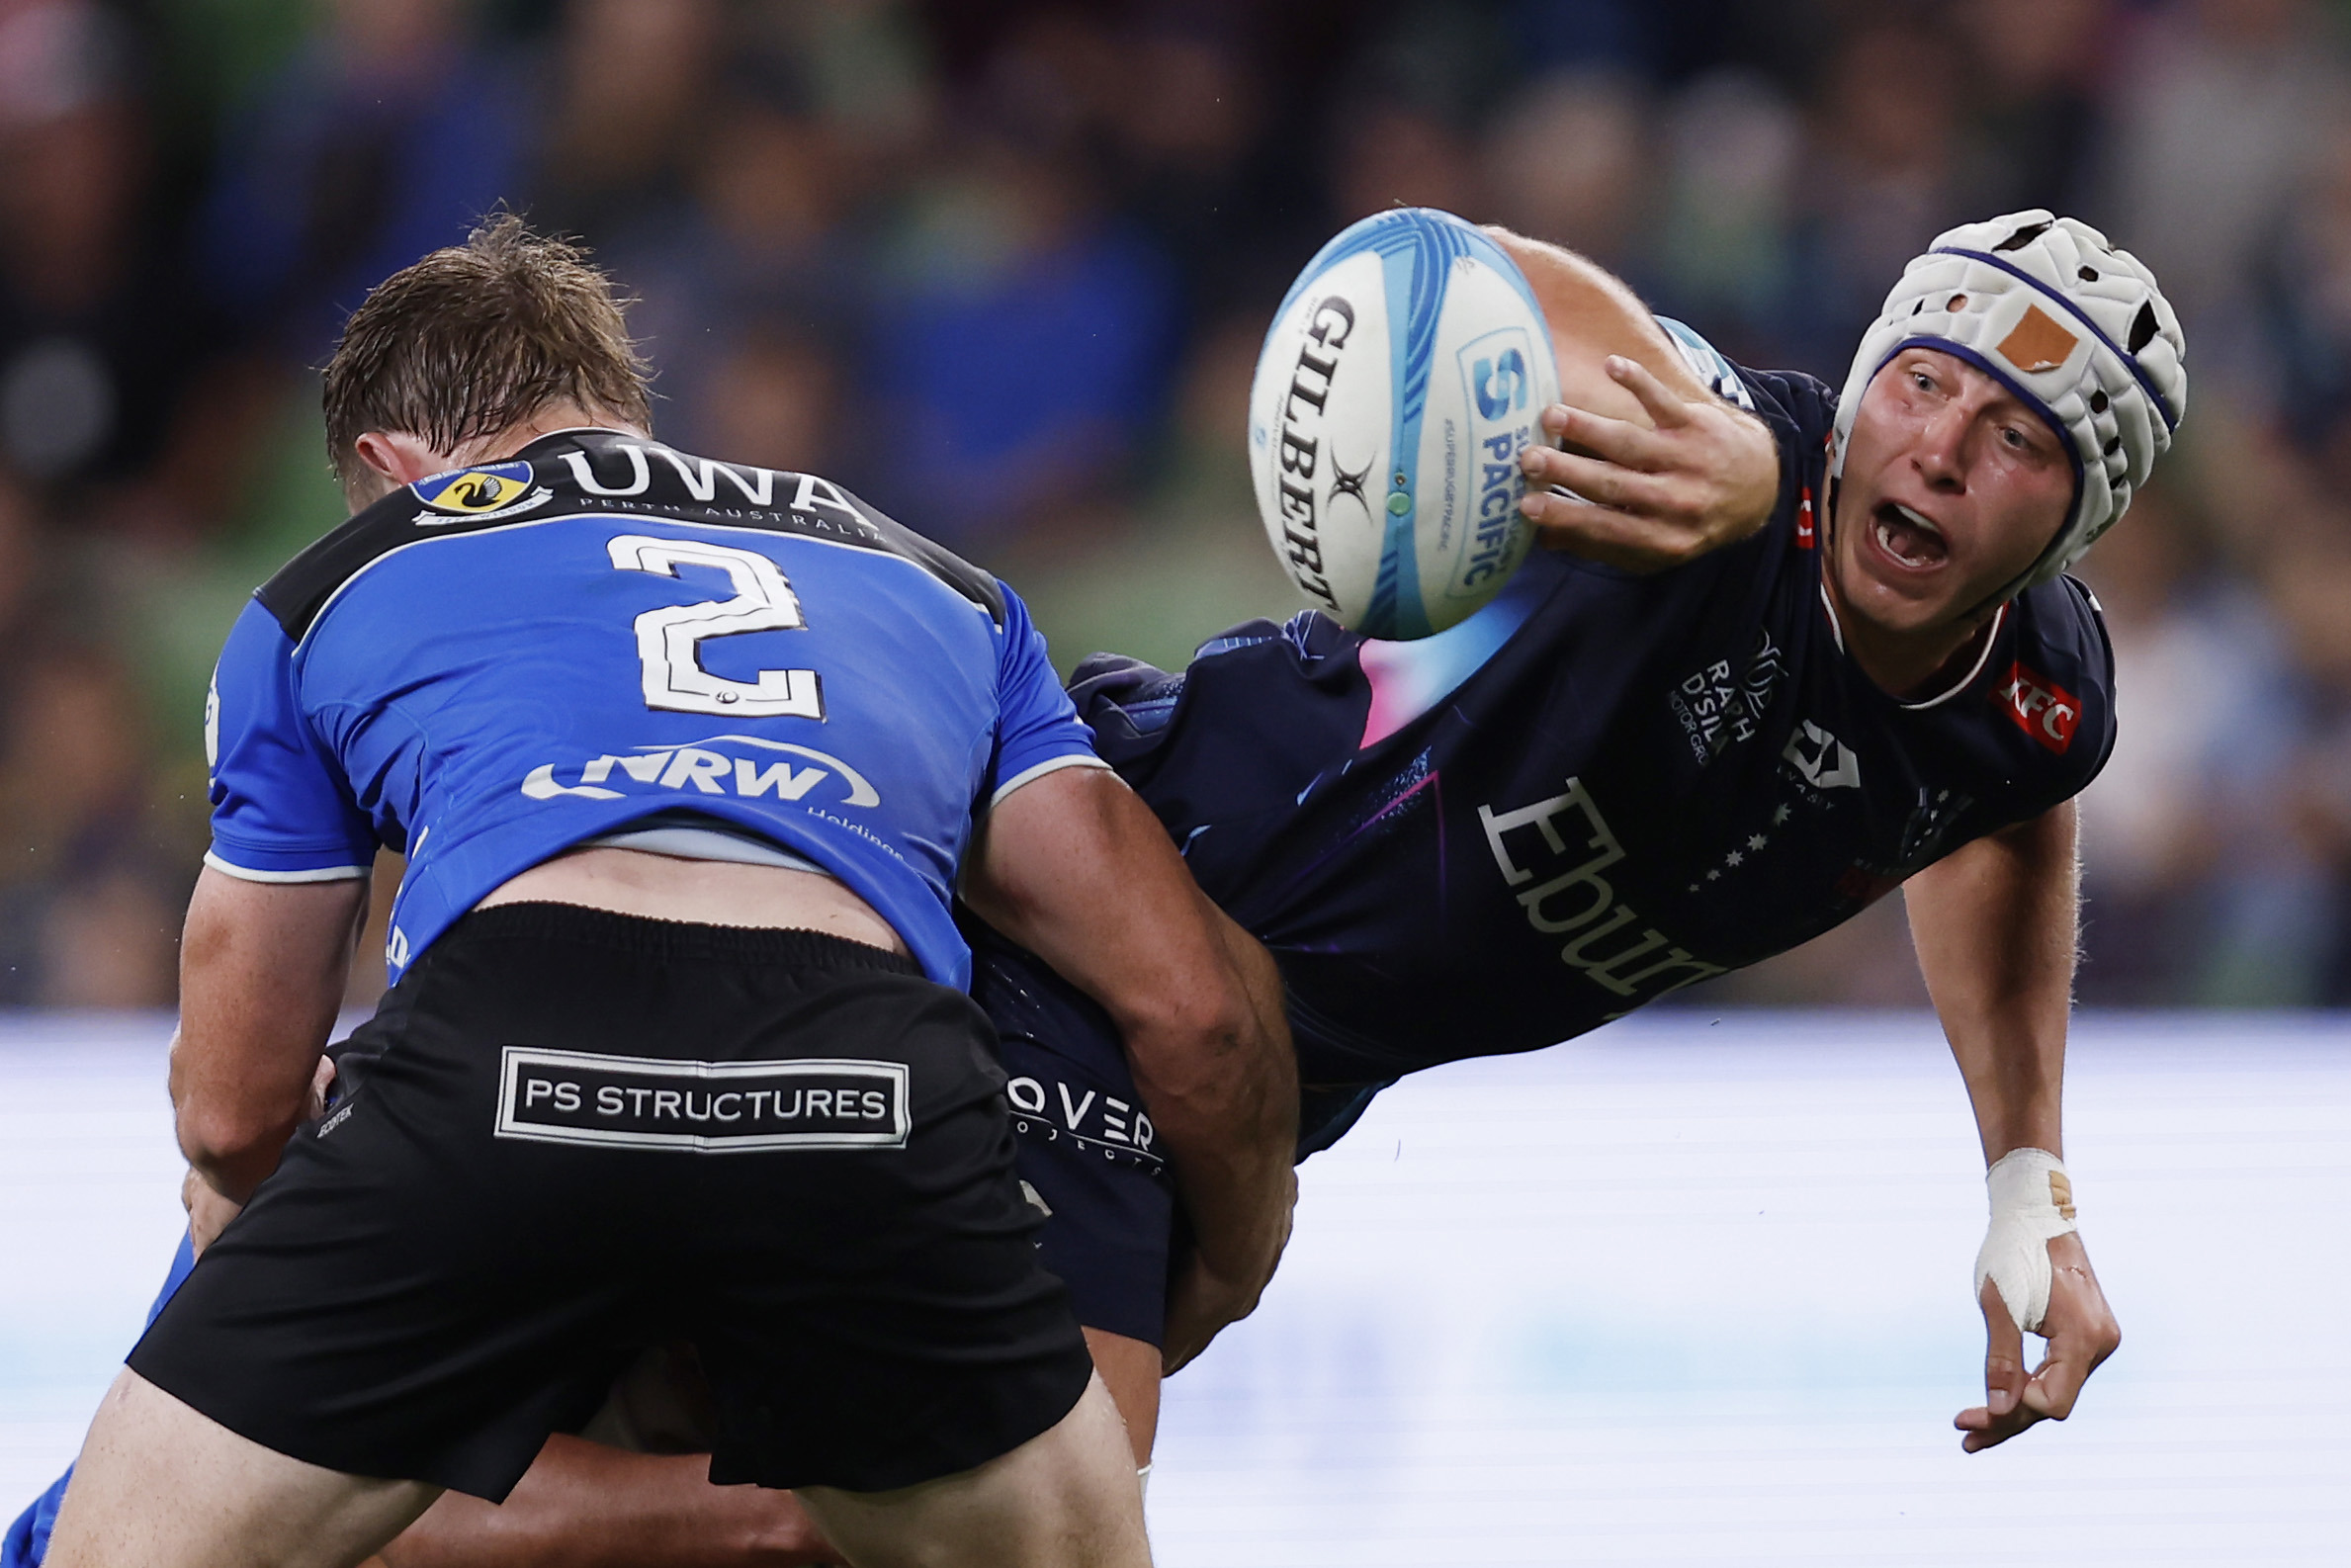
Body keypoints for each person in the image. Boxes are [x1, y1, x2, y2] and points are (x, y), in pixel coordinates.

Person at [37, 217, 1297, 1568]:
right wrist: (1227, 1267)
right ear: (625, 422)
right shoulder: (947, 590)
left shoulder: (339, 577)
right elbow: (1194, 1011)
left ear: (385, 468)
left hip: (505, 1050)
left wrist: (300, 1297)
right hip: (867, 1093)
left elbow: (232, 1114)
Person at [979, 206, 2182, 1468]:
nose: (1937, 447)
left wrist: (2025, 1179)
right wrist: (1758, 474)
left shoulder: (2040, 704)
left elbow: (1996, 808)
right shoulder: (1703, 446)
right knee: (1046, 1506)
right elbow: (1460, 274)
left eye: (2013, 439)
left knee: (817, 1506)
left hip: (1275, 1080)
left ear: (2070, 528)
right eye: (1919, 383)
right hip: (1118, 902)